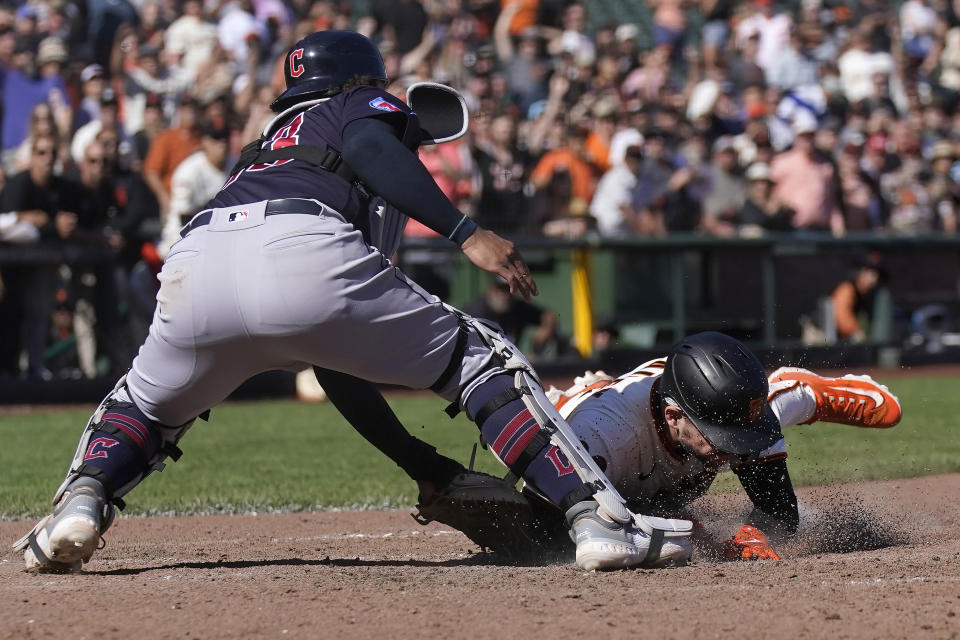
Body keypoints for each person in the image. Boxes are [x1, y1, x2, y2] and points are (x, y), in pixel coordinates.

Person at [13, 31, 689, 574]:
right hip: (300, 244)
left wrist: (422, 465)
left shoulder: (265, 146)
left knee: (142, 405)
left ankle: (78, 504)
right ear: (362, 80)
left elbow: (337, 358)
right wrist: (465, 232)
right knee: (481, 356)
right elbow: (370, 144)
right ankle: (596, 521)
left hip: (200, 260)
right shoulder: (359, 106)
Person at [345, 331, 902, 558]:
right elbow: (561, 523)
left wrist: (756, 533)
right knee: (553, 536)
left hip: (652, 427)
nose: (734, 452)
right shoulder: (602, 439)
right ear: (677, 415)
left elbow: (781, 512)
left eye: (741, 437)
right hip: (585, 425)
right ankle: (586, 390)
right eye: (722, 440)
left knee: (776, 499)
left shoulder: (738, 419)